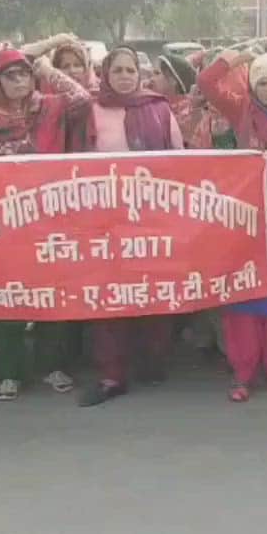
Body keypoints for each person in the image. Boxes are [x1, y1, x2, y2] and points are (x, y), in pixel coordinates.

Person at [0, 47, 91, 401]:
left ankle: (52, 366)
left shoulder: (51, 106)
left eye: (24, 74)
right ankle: (10, 372)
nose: (18, 81)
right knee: (7, 294)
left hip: (52, 214)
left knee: (53, 292)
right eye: (9, 75)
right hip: (3, 219)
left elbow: (81, 98)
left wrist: (46, 68)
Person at [198, 45, 267, 402]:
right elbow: (206, 80)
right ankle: (243, 374)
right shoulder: (241, 110)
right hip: (244, 223)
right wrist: (241, 55)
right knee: (243, 300)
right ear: (253, 85)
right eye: (263, 82)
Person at [78, 46, 184, 406]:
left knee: (151, 288)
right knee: (109, 296)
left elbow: (179, 160)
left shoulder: (159, 108)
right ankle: (112, 373)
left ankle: (152, 361)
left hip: (152, 216)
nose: (124, 76)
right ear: (105, 74)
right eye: (117, 70)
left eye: (130, 70)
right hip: (105, 218)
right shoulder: (91, 109)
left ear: (139, 74)